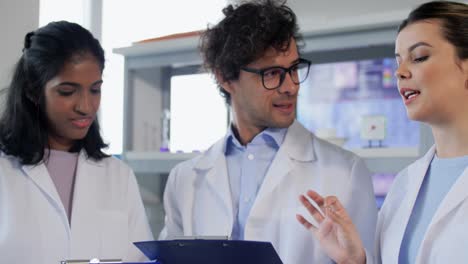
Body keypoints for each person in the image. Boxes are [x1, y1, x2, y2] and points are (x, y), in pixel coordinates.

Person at [159, 1, 377, 263]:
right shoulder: (184, 180)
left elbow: (366, 257)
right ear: (226, 78)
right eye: (273, 73)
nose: (291, 87)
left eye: (294, 69)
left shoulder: (345, 172)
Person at [297, 1, 468, 263]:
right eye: (398, 61)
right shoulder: (405, 184)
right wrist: (357, 261)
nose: (399, 72)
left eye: (419, 57)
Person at [0, 21, 153, 263]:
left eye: (95, 90)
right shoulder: (5, 171)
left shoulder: (118, 176)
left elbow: (139, 260)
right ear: (33, 91)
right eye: (67, 92)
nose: (85, 107)